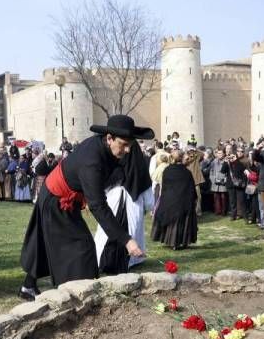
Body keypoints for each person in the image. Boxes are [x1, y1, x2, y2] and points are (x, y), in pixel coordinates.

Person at [19, 115, 154, 300]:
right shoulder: (92, 160)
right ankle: (74, 296)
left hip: (65, 197)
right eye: (124, 144)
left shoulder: (107, 148)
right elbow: (98, 205)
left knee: (51, 242)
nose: (128, 149)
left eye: (130, 144)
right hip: (57, 200)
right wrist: (127, 240)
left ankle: (28, 286)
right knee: (81, 248)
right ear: (109, 138)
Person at [94, 141, 154, 272]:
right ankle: (129, 259)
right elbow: (149, 200)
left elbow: (101, 189)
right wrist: (147, 207)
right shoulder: (140, 173)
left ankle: (105, 258)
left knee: (108, 231)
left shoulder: (113, 169)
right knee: (129, 230)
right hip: (132, 203)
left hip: (113, 201)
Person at [151, 150, 198, 250]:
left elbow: (164, 186)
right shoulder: (186, 172)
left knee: (173, 221)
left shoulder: (167, 170)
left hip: (169, 200)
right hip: (182, 201)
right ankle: (180, 242)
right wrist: (193, 198)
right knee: (181, 221)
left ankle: (171, 242)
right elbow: (190, 188)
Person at [221, 149, 247, 221]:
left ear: (236, 156)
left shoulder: (239, 163)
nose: (231, 158)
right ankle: (233, 215)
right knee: (232, 202)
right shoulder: (227, 164)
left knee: (241, 201)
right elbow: (222, 171)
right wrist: (225, 162)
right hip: (230, 185)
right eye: (230, 157)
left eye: (233, 157)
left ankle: (245, 216)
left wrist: (236, 160)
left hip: (239, 185)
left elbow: (242, 170)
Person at [184, 146, 205, 216]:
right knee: (189, 196)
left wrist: (195, 149)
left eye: (192, 151)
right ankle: (190, 211)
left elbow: (202, 154)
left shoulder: (197, 156)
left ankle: (198, 211)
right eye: (190, 151)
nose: (191, 152)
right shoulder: (186, 157)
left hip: (196, 179)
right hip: (188, 180)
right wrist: (187, 152)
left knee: (198, 196)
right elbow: (183, 161)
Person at [208, 149, 228, 216]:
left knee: (223, 197)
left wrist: (225, 180)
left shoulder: (226, 162)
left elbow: (228, 173)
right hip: (215, 182)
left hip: (223, 183)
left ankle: (223, 211)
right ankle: (217, 211)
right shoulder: (214, 162)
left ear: (224, 154)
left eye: (221, 153)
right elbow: (211, 172)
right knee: (216, 197)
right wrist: (213, 180)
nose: (219, 154)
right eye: (218, 153)